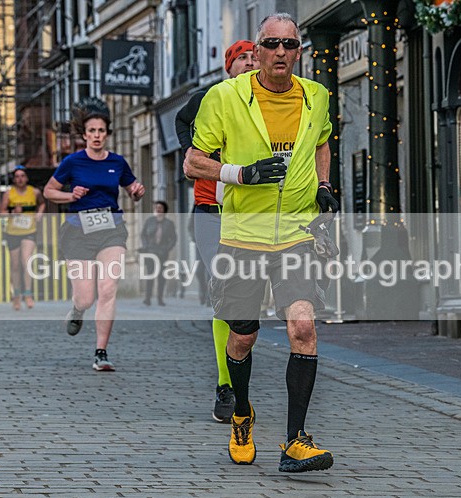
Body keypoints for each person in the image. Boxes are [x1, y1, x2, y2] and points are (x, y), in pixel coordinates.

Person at [184, 13, 340, 473]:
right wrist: (241, 174)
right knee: (242, 336)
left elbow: (322, 143)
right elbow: (195, 163)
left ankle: (295, 441)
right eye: (271, 44)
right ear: (258, 48)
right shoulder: (226, 97)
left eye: (289, 45)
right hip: (242, 236)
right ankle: (241, 412)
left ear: (298, 51)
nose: (279, 52)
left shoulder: (316, 96)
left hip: (295, 233)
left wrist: (325, 185)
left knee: (303, 327)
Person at [175, 38, 255, 423]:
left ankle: (236, 380)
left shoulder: (267, 107)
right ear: (229, 65)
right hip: (210, 211)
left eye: (254, 57)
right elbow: (180, 119)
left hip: (252, 213)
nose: (249, 62)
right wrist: (196, 151)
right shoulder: (210, 97)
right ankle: (226, 387)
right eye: (242, 57)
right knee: (227, 293)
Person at [43, 97, 145, 372]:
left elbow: (132, 188)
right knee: (86, 297)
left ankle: (101, 352)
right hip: (78, 232)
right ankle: (77, 310)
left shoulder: (117, 162)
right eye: (91, 131)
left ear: (107, 133)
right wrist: (69, 194)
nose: (97, 136)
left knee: (108, 288)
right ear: (84, 135)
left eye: (101, 131)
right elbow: (48, 191)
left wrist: (137, 192)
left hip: (111, 229)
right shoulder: (72, 162)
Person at [0, 165, 46, 310]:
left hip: (29, 231)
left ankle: (28, 294)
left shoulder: (34, 192)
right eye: (17, 176)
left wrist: (39, 213)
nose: (20, 179)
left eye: (22, 176)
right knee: (15, 265)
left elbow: (43, 203)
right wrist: (12, 213)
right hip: (13, 232)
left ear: (26, 178)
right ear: (14, 179)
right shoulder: (9, 194)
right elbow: (1, 212)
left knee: (26, 261)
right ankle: (16, 296)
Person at [140, 200, 177, 306]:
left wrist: (167, 249)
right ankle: (147, 299)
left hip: (162, 253)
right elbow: (143, 235)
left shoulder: (169, 224)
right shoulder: (149, 221)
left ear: (164, 210)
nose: (158, 209)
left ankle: (160, 299)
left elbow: (174, 238)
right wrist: (145, 246)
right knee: (150, 275)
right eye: (156, 208)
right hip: (150, 252)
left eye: (160, 208)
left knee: (161, 276)